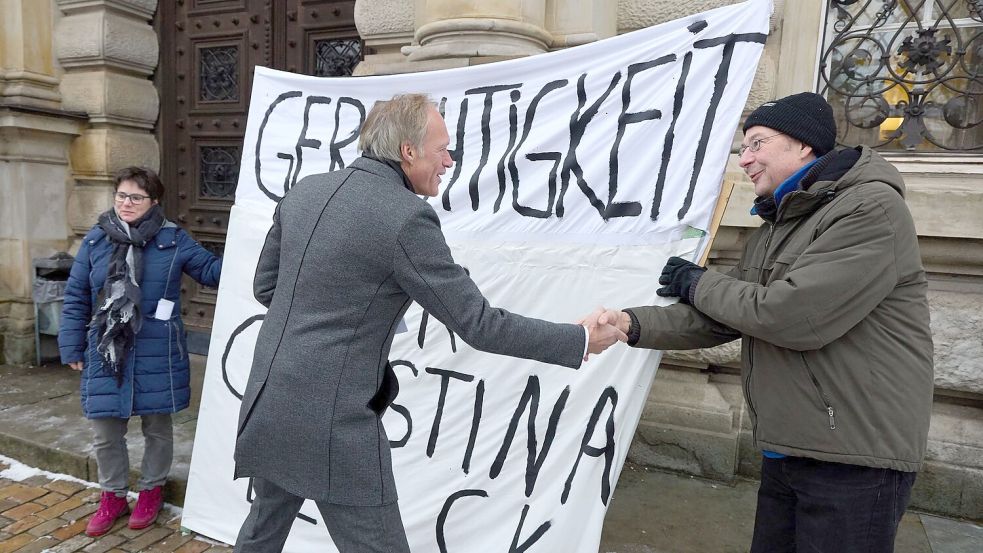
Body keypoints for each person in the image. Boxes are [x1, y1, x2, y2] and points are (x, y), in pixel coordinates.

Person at [232, 93, 626, 552]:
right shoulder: (405, 217)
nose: (449, 160)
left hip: (269, 399)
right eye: (443, 149)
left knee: (261, 532)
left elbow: (267, 289)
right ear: (408, 151)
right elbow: (479, 324)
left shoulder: (305, 191)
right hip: (334, 423)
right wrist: (578, 339)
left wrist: (355, 307)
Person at [586, 92, 934, 552]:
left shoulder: (869, 209)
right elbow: (726, 315)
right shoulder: (783, 220)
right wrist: (630, 324)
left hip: (852, 457)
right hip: (792, 445)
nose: (745, 159)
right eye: (743, 147)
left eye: (757, 143)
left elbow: (789, 315)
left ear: (804, 145)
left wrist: (698, 283)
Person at [58, 167, 223, 537]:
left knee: (157, 429)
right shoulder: (95, 241)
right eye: (121, 195)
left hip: (155, 348)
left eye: (136, 197)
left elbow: (211, 271)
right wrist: (69, 343)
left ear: (154, 202)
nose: (126, 203)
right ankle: (113, 495)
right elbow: (76, 296)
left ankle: (151, 490)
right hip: (106, 347)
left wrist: (254, 254)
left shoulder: (173, 239)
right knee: (105, 430)